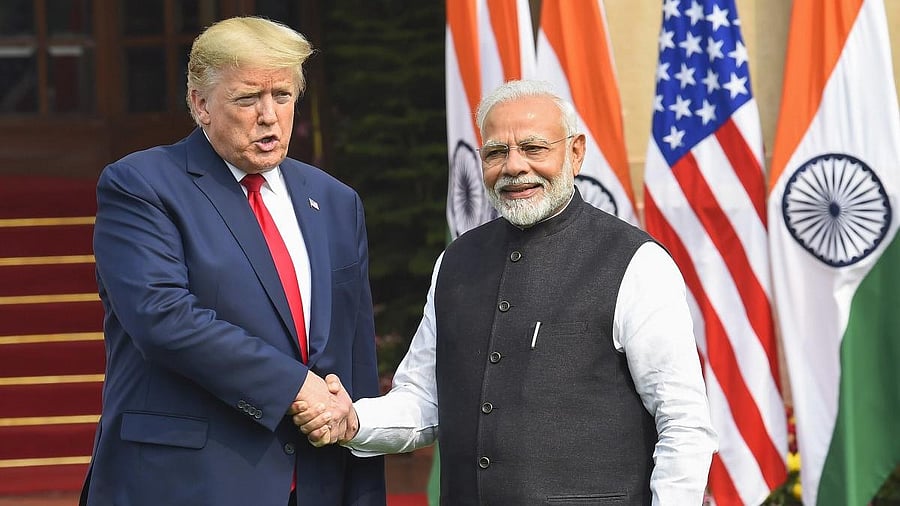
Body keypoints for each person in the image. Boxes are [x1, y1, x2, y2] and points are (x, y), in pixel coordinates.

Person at [295, 80, 717, 505]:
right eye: (496, 153)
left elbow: (683, 422)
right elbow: (424, 399)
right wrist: (352, 420)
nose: (514, 167)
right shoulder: (456, 262)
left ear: (575, 152)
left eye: (534, 148)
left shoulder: (636, 263)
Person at [80, 16, 385, 506]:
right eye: (248, 99)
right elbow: (162, 317)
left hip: (315, 483)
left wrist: (363, 486)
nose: (269, 116)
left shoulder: (335, 200)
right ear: (200, 103)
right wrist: (293, 387)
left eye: (283, 96)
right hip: (183, 484)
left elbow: (354, 356)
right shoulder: (141, 185)